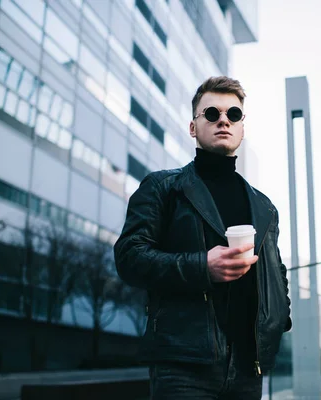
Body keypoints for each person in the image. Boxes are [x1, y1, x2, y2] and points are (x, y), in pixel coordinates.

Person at [114, 76, 292, 399]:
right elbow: (128, 256)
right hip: (183, 365)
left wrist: (279, 321)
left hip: (247, 368)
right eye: (211, 113)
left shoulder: (265, 207)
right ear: (193, 127)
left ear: (241, 128)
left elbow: (276, 273)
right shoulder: (162, 188)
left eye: (233, 115)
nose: (223, 120)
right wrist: (202, 268)